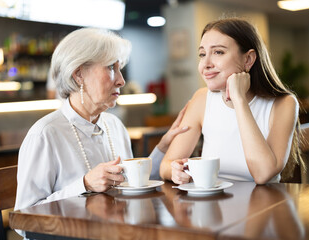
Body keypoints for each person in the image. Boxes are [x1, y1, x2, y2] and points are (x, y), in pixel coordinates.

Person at [14, 28, 188, 215]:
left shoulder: (114, 125)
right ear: (79, 74)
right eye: (111, 67)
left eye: (120, 68)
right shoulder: (45, 134)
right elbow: (24, 218)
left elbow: (132, 184)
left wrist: (163, 147)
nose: (122, 80)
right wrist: (85, 184)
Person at [160, 17, 304, 185]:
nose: (205, 64)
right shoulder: (201, 99)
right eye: (202, 54)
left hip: (263, 205)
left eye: (218, 52)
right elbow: (165, 165)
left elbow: (263, 174)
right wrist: (175, 171)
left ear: (248, 59)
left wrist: (239, 100)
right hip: (214, 205)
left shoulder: (284, 103)